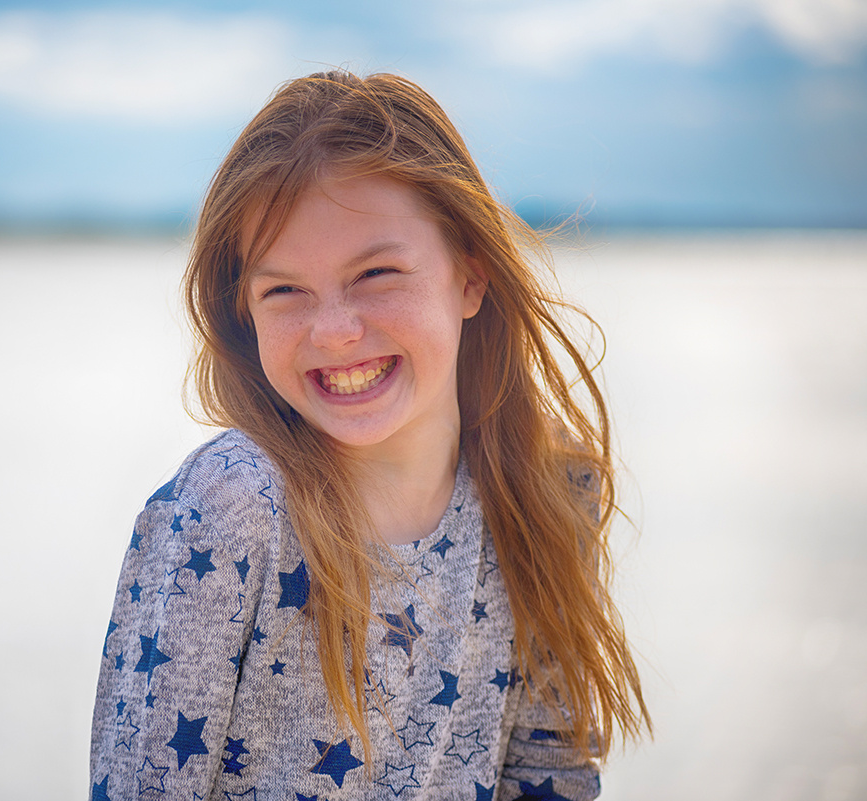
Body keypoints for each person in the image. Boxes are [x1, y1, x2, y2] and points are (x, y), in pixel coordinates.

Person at [89, 70, 650, 800]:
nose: (334, 330)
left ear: (471, 275)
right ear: (244, 312)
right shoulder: (230, 510)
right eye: (284, 289)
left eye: (377, 273)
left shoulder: (548, 490)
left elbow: (551, 778)